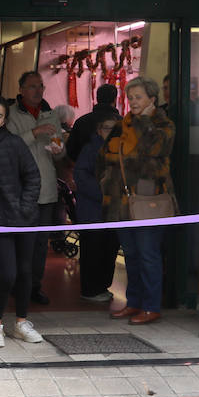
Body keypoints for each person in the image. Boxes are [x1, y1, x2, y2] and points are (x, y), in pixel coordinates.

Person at [101, 77, 174, 325]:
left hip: (147, 199)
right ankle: (133, 303)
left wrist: (144, 122)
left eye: (138, 97)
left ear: (152, 99)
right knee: (130, 254)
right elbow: (105, 154)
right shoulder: (122, 124)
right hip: (121, 201)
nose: (133, 102)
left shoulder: (163, 125)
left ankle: (151, 306)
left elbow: (153, 152)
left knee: (148, 254)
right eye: (130, 97)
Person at [0, 96, 42, 348]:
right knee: (8, 274)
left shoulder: (13, 144)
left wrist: (25, 209)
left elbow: (33, 176)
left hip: (24, 220)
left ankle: (22, 323)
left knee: (25, 273)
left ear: (5, 120)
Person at [5, 70, 63, 306]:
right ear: (21, 90)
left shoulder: (51, 114)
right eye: (32, 87)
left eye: (41, 86)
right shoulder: (10, 114)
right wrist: (34, 133)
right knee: (20, 242)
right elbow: (7, 146)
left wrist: (59, 149)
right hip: (20, 190)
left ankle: (34, 287)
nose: (38, 91)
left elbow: (59, 147)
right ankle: (16, 285)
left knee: (40, 244)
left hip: (46, 189)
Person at [75, 106, 121, 303]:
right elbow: (81, 176)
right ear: (98, 130)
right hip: (92, 210)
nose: (110, 132)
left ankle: (103, 286)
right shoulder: (90, 149)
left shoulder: (120, 148)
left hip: (114, 212)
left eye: (114, 128)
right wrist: (103, 194)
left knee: (109, 249)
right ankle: (90, 289)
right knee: (93, 251)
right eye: (106, 128)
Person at [66, 83, 119, 163]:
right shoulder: (124, 124)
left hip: (85, 171)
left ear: (97, 99)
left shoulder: (81, 122)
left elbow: (71, 152)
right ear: (115, 100)